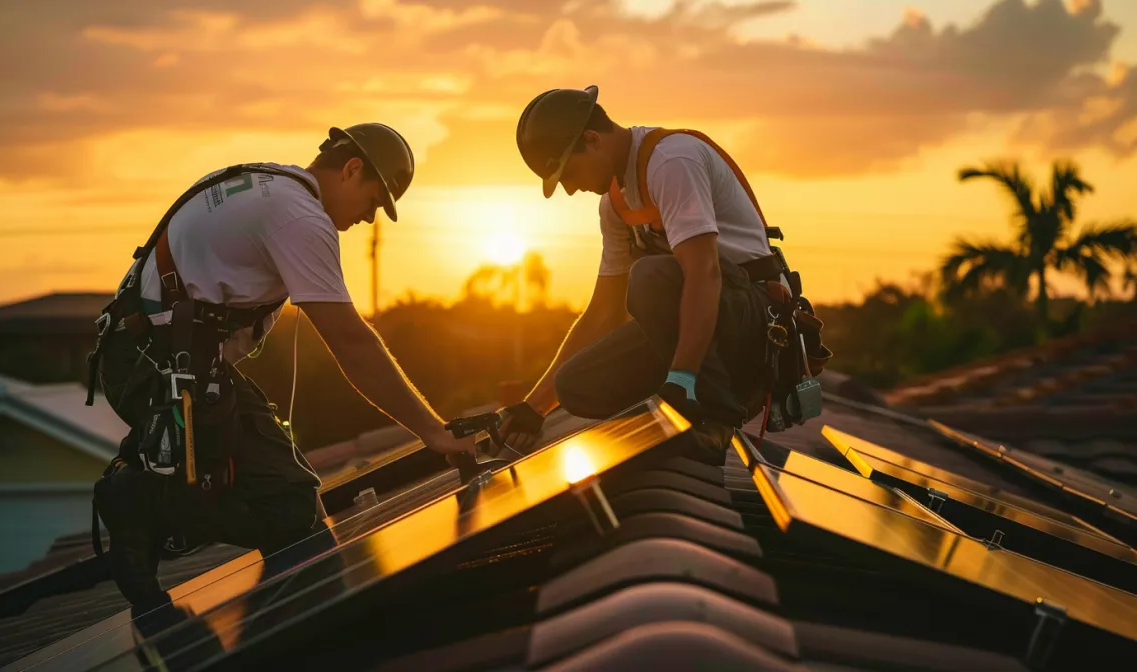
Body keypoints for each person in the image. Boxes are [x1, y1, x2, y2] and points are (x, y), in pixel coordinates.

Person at [87, 123, 474, 613]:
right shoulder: (299, 217)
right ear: (352, 168)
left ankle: (154, 511)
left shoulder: (269, 184)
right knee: (291, 505)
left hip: (146, 359)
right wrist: (432, 432)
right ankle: (142, 505)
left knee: (278, 498)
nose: (368, 219)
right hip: (155, 370)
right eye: (374, 202)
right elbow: (353, 344)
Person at [499, 85, 808, 461]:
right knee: (575, 385)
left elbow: (704, 274)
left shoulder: (671, 163)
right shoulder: (614, 204)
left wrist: (682, 378)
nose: (569, 189)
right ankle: (672, 411)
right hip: (703, 330)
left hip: (752, 327)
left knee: (649, 277)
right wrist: (534, 408)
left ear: (592, 139)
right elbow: (602, 314)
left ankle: (715, 417)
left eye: (568, 173)